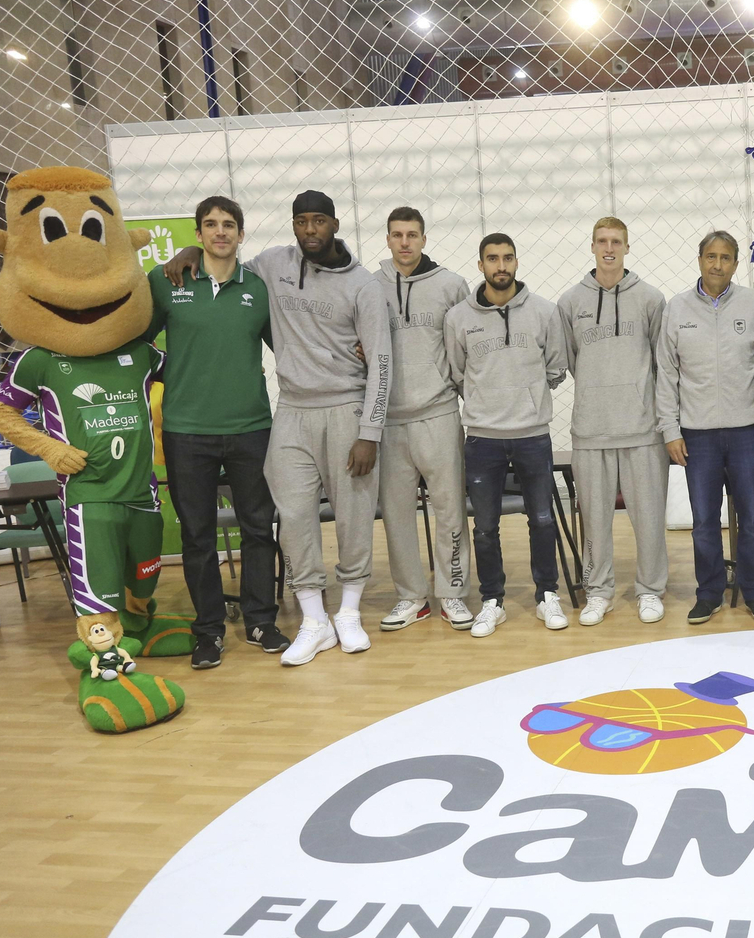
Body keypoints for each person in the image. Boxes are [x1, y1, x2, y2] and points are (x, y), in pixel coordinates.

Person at [168, 190, 392, 666]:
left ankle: (348, 611)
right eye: (301, 222)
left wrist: (369, 431)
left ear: (334, 224)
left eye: (319, 222)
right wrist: (191, 253)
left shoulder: (364, 286)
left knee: (353, 513)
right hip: (290, 412)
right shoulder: (272, 264)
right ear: (292, 225)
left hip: (346, 410)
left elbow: (382, 363)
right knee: (291, 517)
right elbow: (223, 258)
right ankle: (314, 620)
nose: (310, 230)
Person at [145, 195, 287, 669]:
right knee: (198, 536)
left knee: (257, 529)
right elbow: (133, 338)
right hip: (186, 432)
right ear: (198, 233)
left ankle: (261, 620)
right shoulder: (168, 283)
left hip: (251, 428)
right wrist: (171, 375)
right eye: (211, 224)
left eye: (229, 225)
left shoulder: (259, 289)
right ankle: (207, 630)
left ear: (241, 234)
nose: (220, 232)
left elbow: (289, 347)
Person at [446, 232, 571, 635]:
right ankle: (492, 600)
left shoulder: (544, 312)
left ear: (517, 262)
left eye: (508, 258)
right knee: (484, 526)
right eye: (492, 259)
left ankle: (546, 596)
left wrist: (527, 399)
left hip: (533, 434)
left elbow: (556, 367)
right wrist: (487, 401)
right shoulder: (457, 319)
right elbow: (458, 373)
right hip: (482, 438)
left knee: (541, 519)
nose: (501, 266)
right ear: (480, 265)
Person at [657, 231, 754, 624]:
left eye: (725, 258)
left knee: (753, 519)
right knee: (704, 521)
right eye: (710, 256)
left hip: (746, 432)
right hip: (697, 435)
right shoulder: (677, 309)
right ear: (700, 259)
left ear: (736, 264)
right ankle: (708, 592)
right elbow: (666, 375)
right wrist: (670, 430)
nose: (717, 264)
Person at [558, 217, 669, 626]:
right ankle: (598, 591)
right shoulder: (570, 303)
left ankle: (650, 590)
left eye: (616, 242)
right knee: (595, 521)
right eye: (602, 241)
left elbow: (662, 363)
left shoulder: (651, 299)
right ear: (592, 246)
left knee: (650, 519)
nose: (609, 248)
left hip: (642, 429)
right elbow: (572, 360)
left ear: (627, 247)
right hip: (591, 431)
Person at [373, 207, 474, 635]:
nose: (405, 243)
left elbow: (466, 344)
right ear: (389, 239)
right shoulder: (369, 285)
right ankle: (412, 597)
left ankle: (452, 591)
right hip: (389, 421)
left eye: (412, 235)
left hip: (437, 412)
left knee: (449, 507)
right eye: (397, 235)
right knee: (396, 513)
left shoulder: (451, 285)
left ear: (424, 238)